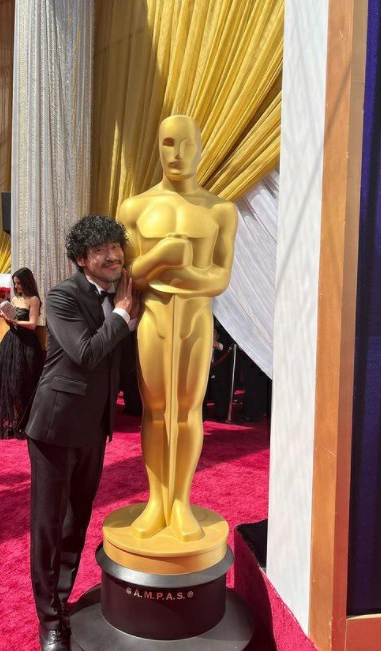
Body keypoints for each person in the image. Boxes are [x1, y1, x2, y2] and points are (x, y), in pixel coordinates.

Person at [117, 115, 238, 542]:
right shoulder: (134, 207)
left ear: (201, 148)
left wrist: (181, 275)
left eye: (187, 144)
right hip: (153, 319)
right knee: (154, 411)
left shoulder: (221, 210)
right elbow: (129, 274)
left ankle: (181, 501)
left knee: (188, 410)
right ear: (158, 147)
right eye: (169, 143)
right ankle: (156, 501)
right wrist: (163, 257)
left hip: (195, 319)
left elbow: (220, 278)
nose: (178, 154)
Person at [25, 215, 139, 651]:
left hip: (95, 427)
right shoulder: (62, 296)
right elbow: (87, 354)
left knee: (77, 519)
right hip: (56, 425)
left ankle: (62, 598)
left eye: (116, 247)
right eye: (100, 251)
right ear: (81, 259)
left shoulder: (121, 295)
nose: (113, 256)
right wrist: (125, 315)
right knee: (49, 526)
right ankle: (50, 620)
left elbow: (121, 365)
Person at [0, 268, 43, 440]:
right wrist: (6, 319)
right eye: (15, 283)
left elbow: (33, 324)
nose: (17, 286)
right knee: (8, 382)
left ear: (27, 282)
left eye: (19, 283)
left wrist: (15, 320)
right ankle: (14, 421)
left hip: (26, 344)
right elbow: (12, 324)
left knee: (22, 382)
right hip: (11, 342)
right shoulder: (14, 299)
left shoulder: (34, 300)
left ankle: (25, 422)